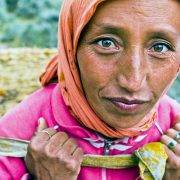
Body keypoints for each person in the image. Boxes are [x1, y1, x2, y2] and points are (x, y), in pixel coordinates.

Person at [0, 0, 180, 179]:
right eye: (106, 43)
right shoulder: (13, 135)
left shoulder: (174, 125)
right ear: (71, 48)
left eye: (160, 47)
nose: (133, 82)